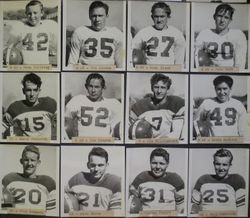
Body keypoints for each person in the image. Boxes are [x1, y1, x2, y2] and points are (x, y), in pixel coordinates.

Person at [1, 145, 56, 214]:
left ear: (38, 163)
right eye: (26, 160)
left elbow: (51, 212)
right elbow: (5, 209)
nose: (29, 163)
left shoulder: (48, 183)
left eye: (32, 160)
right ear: (21, 161)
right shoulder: (10, 179)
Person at [64, 73, 121, 139]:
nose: (93, 90)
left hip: (103, 142)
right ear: (86, 86)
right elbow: (66, 121)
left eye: (97, 87)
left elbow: (118, 128)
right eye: (90, 86)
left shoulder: (112, 103)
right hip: (83, 142)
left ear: (103, 87)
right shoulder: (78, 100)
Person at [191, 148, 246, 216]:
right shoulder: (203, 180)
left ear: (230, 165)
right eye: (218, 164)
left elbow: (242, 210)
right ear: (213, 163)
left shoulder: (237, 180)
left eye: (224, 165)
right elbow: (194, 205)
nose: (221, 168)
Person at [68, 1, 124, 68]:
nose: (97, 19)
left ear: (107, 16)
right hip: (85, 70)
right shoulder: (79, 32)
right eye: (94, 16)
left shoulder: (116, 33)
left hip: (108, 70)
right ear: (89, 16)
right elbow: (72, 63)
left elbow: (121, 64)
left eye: (100, 16)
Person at [64, 147, 121, 212]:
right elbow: (63, 196)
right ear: (88, 165)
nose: (96, 169)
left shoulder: (115, 182)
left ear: (107, 165)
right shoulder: (77, 179)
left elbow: (116, 213)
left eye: (100, 165)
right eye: (93, 165)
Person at [128, 148, 185, 214]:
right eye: (154, 163)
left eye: (161, 163)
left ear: (167, 164)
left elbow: (181, 207)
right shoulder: (142, 177)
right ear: (150, 163)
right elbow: (132, 203)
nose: (157, 167)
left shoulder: (175, 179)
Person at [129, 73, 185, 139]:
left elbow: (179, 132)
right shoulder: (141, 104)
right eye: (156, 87)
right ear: (152, 88)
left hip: (169, 141)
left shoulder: (177, 103)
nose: (159, 91)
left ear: (168, 89)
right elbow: (131, 125)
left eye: (163, 87)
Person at [2, 73, 57, 139]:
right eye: (28, 90)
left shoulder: (49, 104)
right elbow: (3, 129)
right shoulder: (14, 107)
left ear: (39, 90)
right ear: (23, 91)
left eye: (35, 90)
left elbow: (60, 126)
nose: (32, 94)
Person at [3, 0, 58, 65]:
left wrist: (51, 49)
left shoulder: (49, 26)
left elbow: (58, 46)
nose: (32, 16)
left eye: (35, 13)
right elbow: (9, 47)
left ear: (42, 13)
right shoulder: (20, 28)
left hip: (44, 66)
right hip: (26, 66)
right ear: (26, 14)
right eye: (29, 13)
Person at [194, 3, 247, 69]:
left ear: (230, 20)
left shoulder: (238, 35)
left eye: (226, 17)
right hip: (209, 71)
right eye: (220, 16)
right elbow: (196, 58)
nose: (222, 20)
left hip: (229, 72)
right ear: (214, 17)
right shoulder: (204, 33)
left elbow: (240, 65)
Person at [132, 2, 185, 66]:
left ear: (168, 17)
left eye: (162, 16)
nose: (159, 20)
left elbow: (179, 60)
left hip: (169, 70)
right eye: (156, 16)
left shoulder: (177, 34)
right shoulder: (143, 32)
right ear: (152, 17)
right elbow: (131, 49)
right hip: (149, 70)